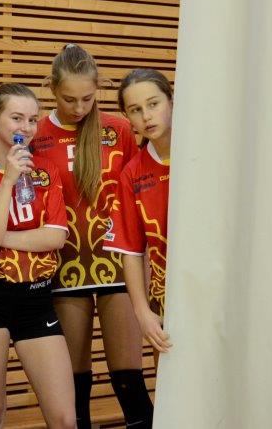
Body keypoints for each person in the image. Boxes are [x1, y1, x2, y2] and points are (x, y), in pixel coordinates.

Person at [31, 44, 153, 428]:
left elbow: (141, 192)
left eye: (87, 98)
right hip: (65, 267)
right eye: (69, 99)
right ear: (52, 88)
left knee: (129, 381)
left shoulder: (119, 130)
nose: (80, 107)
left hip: (118, 263)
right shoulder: (37, 134)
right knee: (75, 387)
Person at [0, 83, 76, 429]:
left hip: (36, 298)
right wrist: (7, 181)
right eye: (17, 118)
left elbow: (55, 237)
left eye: (33, 119)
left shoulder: (46, 171)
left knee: (65, 418)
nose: (27, 127)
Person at [103, 68, 174, 366]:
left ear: (171, 101)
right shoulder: (133, 173)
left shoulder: (208, 155)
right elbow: (131, 250)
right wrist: (142, 312)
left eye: (153, 104)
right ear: (127, 117)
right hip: (168, 300)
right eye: (135, 109)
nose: (146, 116)